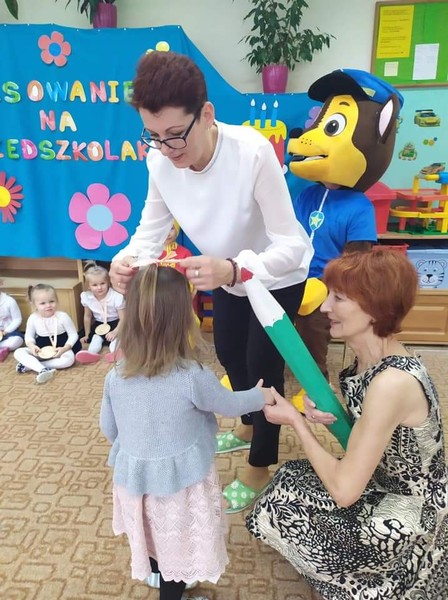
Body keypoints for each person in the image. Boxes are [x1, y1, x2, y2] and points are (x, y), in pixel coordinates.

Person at [109, 50, 313, 512]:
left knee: (262, 367)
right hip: (226, 274)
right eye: (154, 136)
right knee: (228, 352)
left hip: (274, 275)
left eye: (175, 135)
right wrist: (125, 261)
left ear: (206, 114)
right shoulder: (160, 161)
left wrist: (235, 269)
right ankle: (247, 423)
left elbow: (291, 246)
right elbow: (149, 233)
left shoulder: (251, 152)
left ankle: (260, 463)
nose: (166, 148)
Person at [246, 249, 448, 599]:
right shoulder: (366, 359)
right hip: (377, 477)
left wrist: (296, 421)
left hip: (413, 509)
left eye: (338, 298)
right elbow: (369, 435)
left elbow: (344, 492)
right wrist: (328, 419)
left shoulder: (392, 383)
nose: (325, 307)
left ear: (375, 308)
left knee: (294, 513)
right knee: (288, 480)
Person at [99, 264, 274, 600]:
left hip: (135, 481)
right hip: (180, 485)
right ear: (183, 320)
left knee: (151, 535)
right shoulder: (192, 375)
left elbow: (109, 428)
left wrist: (138, 450)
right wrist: (260, 395)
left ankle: (158, 571)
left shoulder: (116, 375)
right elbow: (228, 404)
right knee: (177, 546)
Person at [289, 69, 403, 379]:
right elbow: (290, 236)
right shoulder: (307, 195)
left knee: (312, 328)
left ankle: (315, 383)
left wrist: (328, 287)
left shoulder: (359, 207)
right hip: (293, 277)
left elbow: (357, 260)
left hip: (327, 287)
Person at [13, 284, 82, 384]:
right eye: (43, 303)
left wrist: (65, 348)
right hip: (41, 348)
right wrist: (32, 346)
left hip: (61, 347)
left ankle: (32, 366)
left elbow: (73, 335)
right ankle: (42, 369)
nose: (48, 305)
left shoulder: (63, 316)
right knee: (18, 352)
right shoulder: (33, 318)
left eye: (52, 301)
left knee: (69, 361)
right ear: (34, 304)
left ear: (56, 300)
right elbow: (28, 336)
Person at [76, 262, 125, 364]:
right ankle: (91, 354)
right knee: (95, 339)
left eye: (102, 283)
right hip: (99, 325)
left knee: (115, 341)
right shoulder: (87, 297)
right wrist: (87, 334)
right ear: (89, 286)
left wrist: (115, 331)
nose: (99, 287)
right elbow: (87, 316)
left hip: (116, 324)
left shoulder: (116, 297)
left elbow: (124, 318)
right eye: (94, 285)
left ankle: (115, 353)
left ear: (108, 282)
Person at [0, 279, 24, 361]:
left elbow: (17, 319)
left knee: (17, 341)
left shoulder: (9, 301)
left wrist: (5, 331)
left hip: (8, 333)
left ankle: (2, 347)